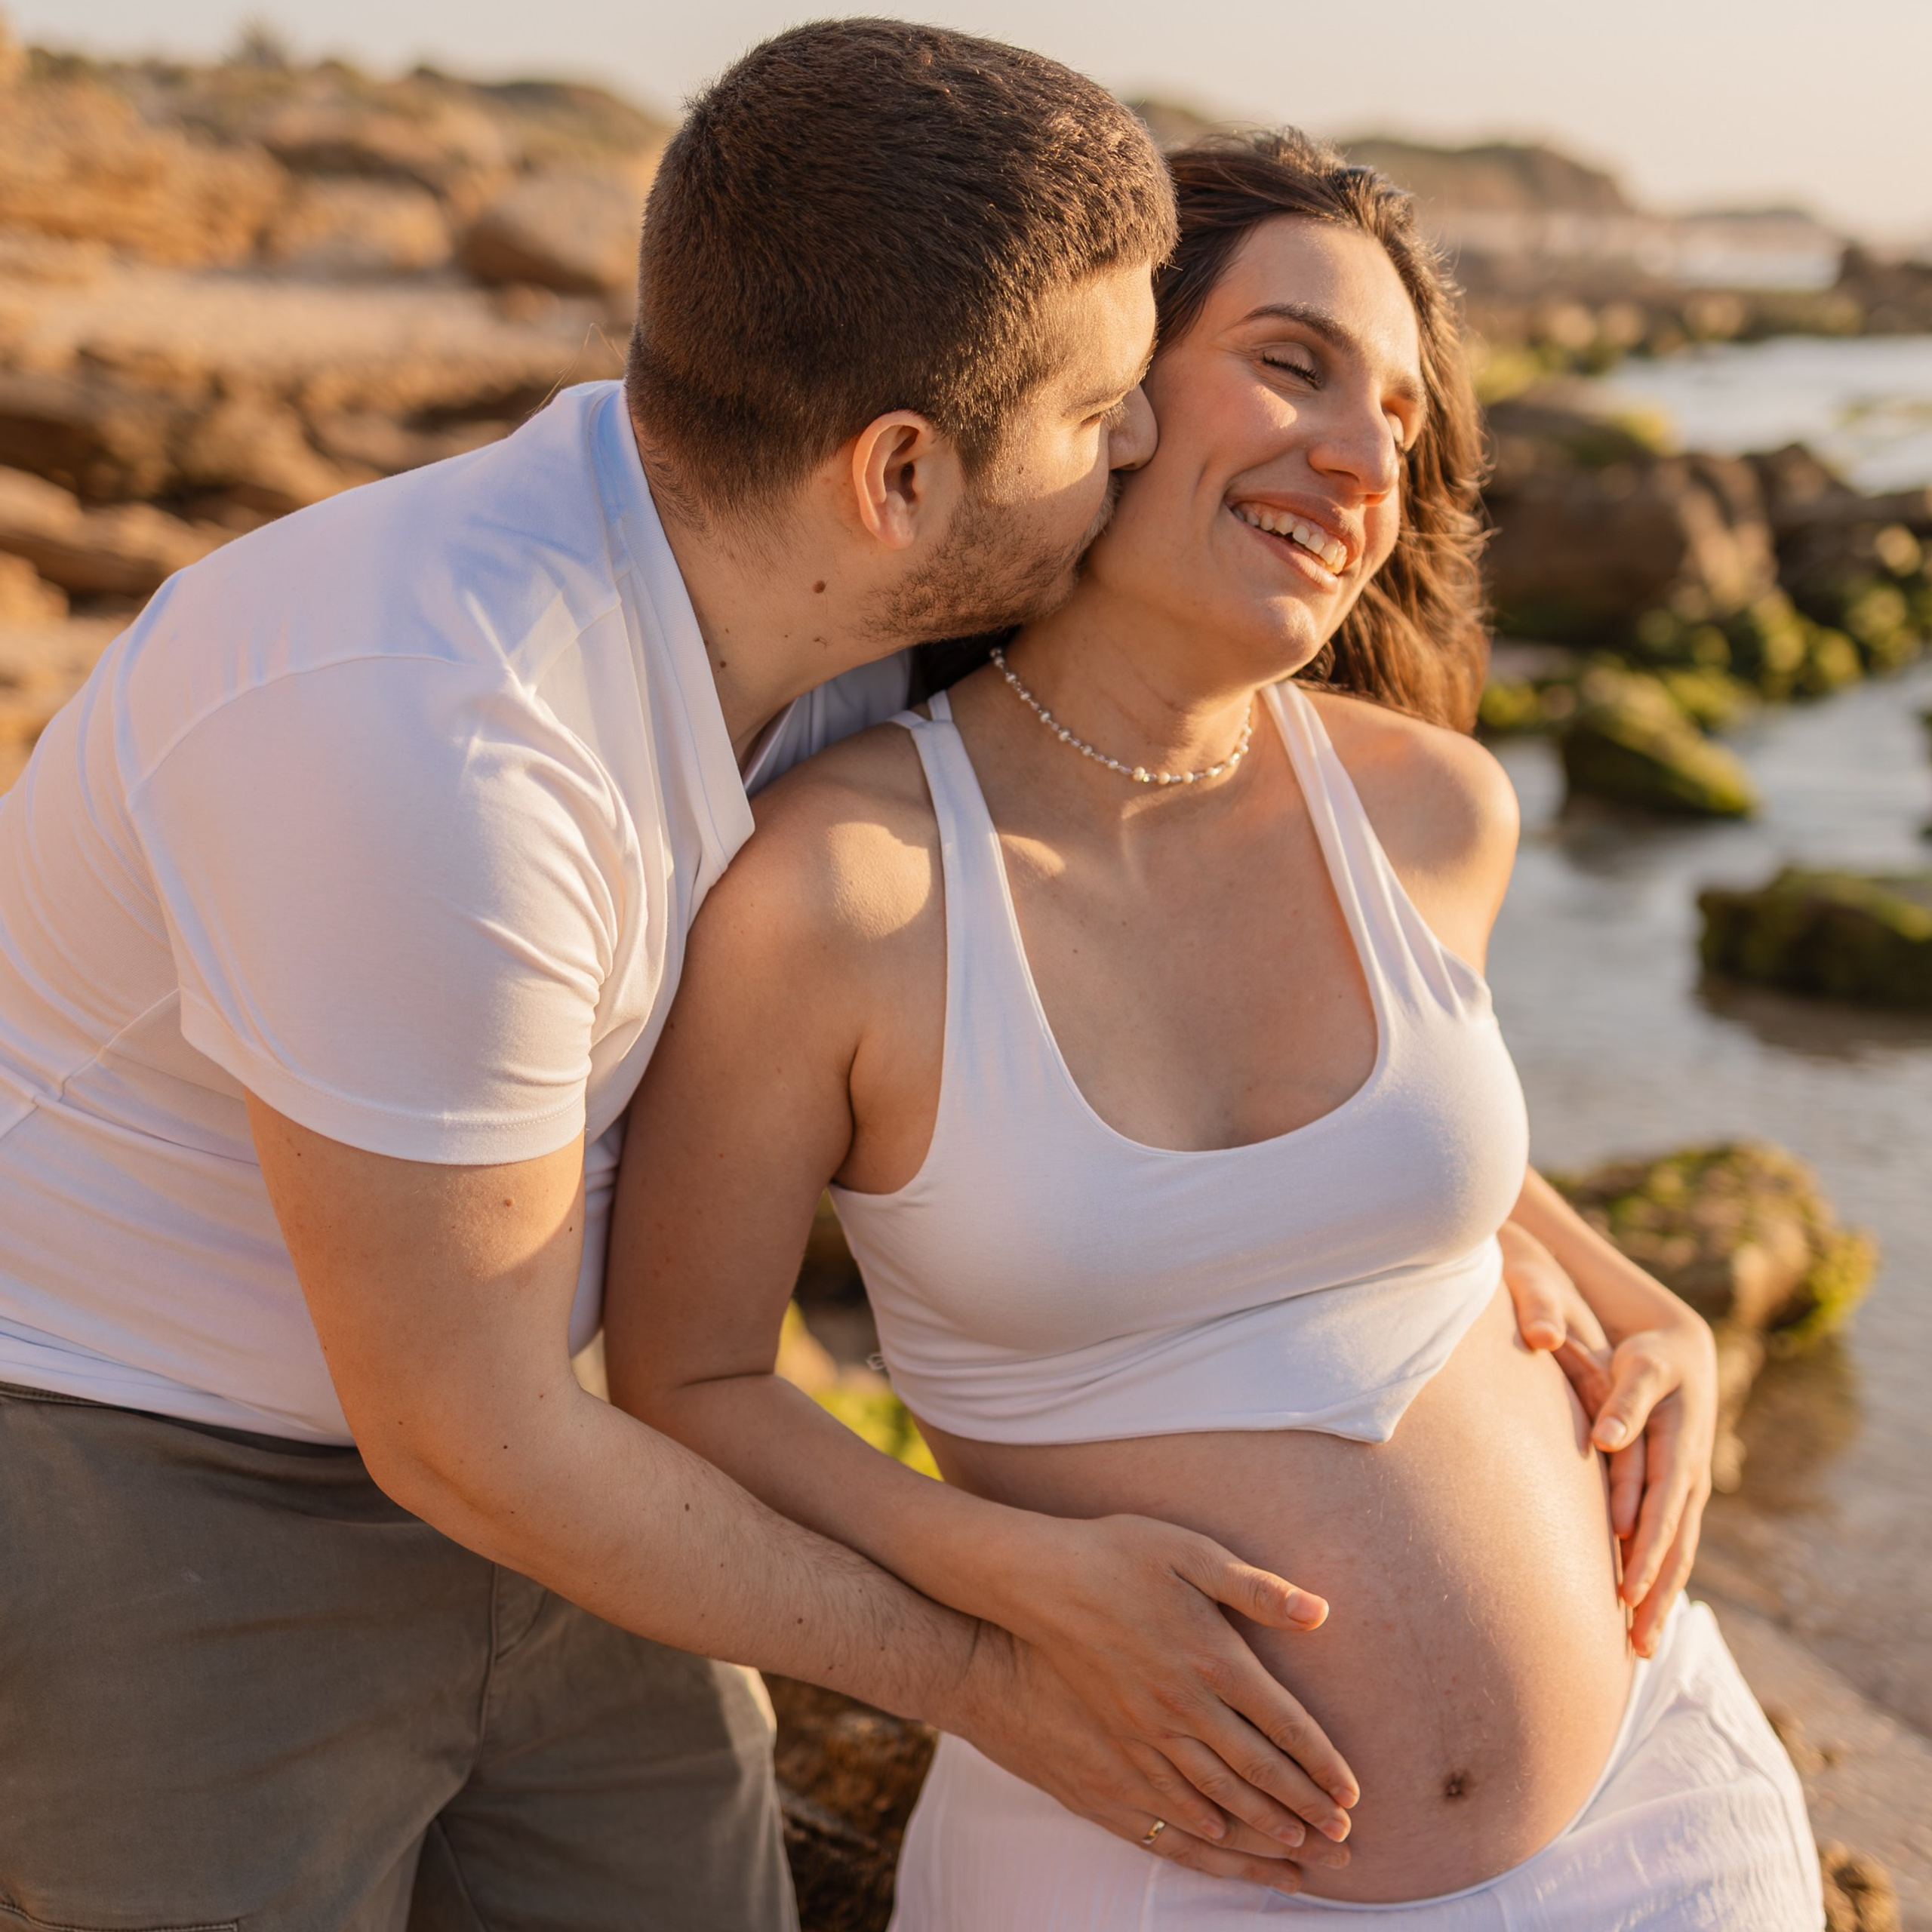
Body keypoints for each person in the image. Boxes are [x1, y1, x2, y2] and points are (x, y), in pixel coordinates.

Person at [0, 26, 1353, 1926]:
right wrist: (999, 1682)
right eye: (1099, 410)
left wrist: (1548, 1248)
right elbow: (458, 1434)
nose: (1135, 444)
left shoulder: (850, 607)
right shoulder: (431, 739)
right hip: (132, 1468)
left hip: (550, 1431)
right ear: (895, 473)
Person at [608, 130, 1822, 1928]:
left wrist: (1639, 1299)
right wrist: (1014, 1579)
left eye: (1401, 420)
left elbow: (1386, 1150)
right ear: (1099, 386)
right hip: (1142, 1863)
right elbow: (683, 1382)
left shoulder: (1430, 811)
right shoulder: (842, 888)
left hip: (1658, 1822)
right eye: (1290, 361)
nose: (1358, 455)